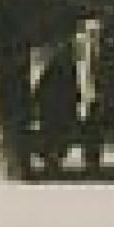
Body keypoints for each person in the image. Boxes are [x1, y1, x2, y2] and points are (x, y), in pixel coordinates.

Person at [31, 44, 80, 176]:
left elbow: (39, 92)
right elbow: (40, 91)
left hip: (57, 111)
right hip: (55, 111)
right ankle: (53, 159)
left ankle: (54, 160)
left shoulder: (68, 71)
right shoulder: (62, 72)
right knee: (55, 136)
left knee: (57, 136)